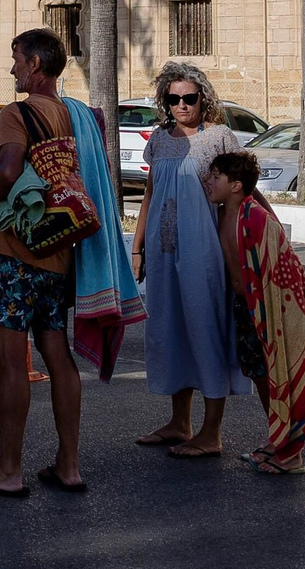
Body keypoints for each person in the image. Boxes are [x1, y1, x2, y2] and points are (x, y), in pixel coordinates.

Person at [0, 29, 91, 498]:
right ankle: (68, 465)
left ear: (34, 63)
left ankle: (8, 469)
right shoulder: (79, 115)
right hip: (59, 250)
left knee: (11, 362)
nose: (12, 68)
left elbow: (8, 170)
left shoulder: (18, 112)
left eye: (15, 59)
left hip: (15, 251)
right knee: (58, 354)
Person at [132, 62, 265, 458]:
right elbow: (150, 196)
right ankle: (179, 422)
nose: (181, 105)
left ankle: (211, 432)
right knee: (171, 329)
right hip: (162, 252)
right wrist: (137, 250)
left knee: (206, 328)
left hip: (205, 252)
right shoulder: (158, 139)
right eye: (173, 99)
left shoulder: (219, 137)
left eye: (189, 98)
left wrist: (260, 236)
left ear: (202, 98)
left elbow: (244, 189)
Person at [207, 150, 305, 476]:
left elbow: (286, 268)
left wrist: (278, 314)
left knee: (280, 374)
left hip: (269, 309)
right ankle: (278, 440)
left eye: (215, 177)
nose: (207, 181)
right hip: (245, 307)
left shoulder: (256, 219)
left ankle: (291, 454)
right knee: (262, 376)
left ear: (236, 185)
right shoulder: (222, 213)